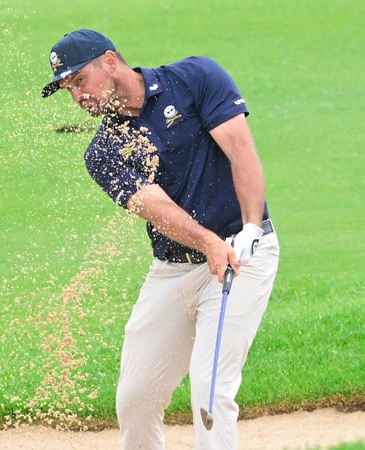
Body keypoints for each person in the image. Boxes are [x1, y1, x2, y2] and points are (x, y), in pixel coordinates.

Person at [41, 29, 279, 450]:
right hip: (173, 270)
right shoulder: (103, 151)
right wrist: (208, 243)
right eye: (67, 88)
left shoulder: (194, 78)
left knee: (210, 390)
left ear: (110, 62)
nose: (77, 96)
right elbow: (156, 207)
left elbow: (241, 149)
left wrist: (250, 229)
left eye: (80, 80)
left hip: (243, 255)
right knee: (135, 399)